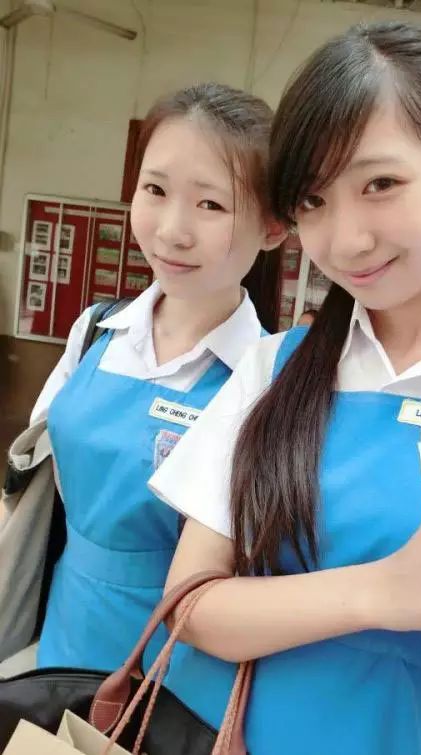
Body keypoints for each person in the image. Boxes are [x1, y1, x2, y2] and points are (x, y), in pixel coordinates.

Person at [149, 23, 421, 755]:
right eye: (313, 201)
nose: (346, 240)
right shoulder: (272, 370)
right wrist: (385, 589)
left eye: (380, 184)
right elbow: (188, 607)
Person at [30, 82, 284, 671]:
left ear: (274, 228)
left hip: (182, 662)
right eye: (156, 189)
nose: (172, 229)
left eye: (211, 204)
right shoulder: (95, 332)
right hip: (65, 627)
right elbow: (32, 481)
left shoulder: (270, 378)